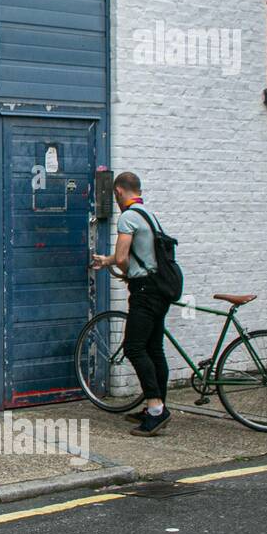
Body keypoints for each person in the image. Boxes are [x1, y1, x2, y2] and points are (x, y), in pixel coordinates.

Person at [90, 171, 171, 436]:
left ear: (118, 192)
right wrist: (107, 260)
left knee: (135, 348)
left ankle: (156, 409)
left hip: (144, 291)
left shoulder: (127, 217)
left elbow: (125, 256)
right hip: (160, 288)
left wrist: (123, 271)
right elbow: (142, 253)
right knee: (154, 348)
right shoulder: (150, 216)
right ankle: (157, 406)